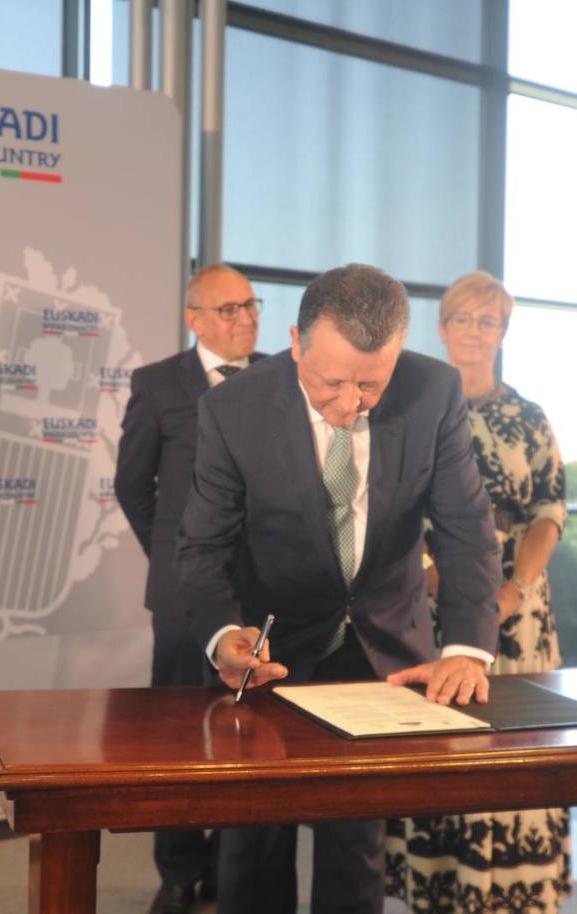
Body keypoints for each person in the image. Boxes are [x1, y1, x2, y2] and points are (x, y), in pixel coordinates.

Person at [176, 263, 503, 914]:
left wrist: (467, 646)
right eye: (331, 382)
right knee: (254, 841)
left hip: (382, 646)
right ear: (296, 341)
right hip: (273, 643)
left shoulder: (433, 391)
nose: (350, 404)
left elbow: (467, 531)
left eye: (370, 384)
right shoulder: (232, 409)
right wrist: (221, 635)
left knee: (358, 848)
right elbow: (203, 547)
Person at [385, 271, 570, 914]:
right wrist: (434, 572)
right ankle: (440, 885)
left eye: (487, 320)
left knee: (518, 750)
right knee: (440, 745)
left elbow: (550, 508)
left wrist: (515, 586)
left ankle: (510, 891)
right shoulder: (410, 408)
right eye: (462, 318)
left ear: (503, 332)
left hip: (517, 612)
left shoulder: (529, 415)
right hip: (428, 605)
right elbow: (389, 505)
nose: (473, 330)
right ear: (441, 328)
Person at [115, 263, 264, 914]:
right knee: (177, 732)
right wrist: (173, 561)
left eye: (250, 306)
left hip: (257, 589)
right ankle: (179, 871)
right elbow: (131, 484)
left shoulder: (280, 379)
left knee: (247, 732)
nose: (244, 319)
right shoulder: (157, 385)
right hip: (181, 596)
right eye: (227, 310)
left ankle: (237, 869)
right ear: (194, 318)